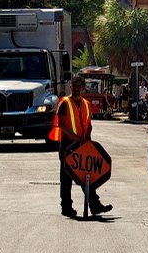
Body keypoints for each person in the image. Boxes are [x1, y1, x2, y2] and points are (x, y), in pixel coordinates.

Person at [48, 76, 112, 218]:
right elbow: (62, 125)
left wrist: (87, 139)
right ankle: (66, 207)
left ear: (83, 87)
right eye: (74, 86)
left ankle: (95, 205)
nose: (76, 89)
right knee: (66, 178)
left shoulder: (86, 104)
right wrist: (77, 138)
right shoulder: (65, 103)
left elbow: (88, 124)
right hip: (67, 145)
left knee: (86, 175)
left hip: (82, 145)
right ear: (71, 87)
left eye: (79, 86)